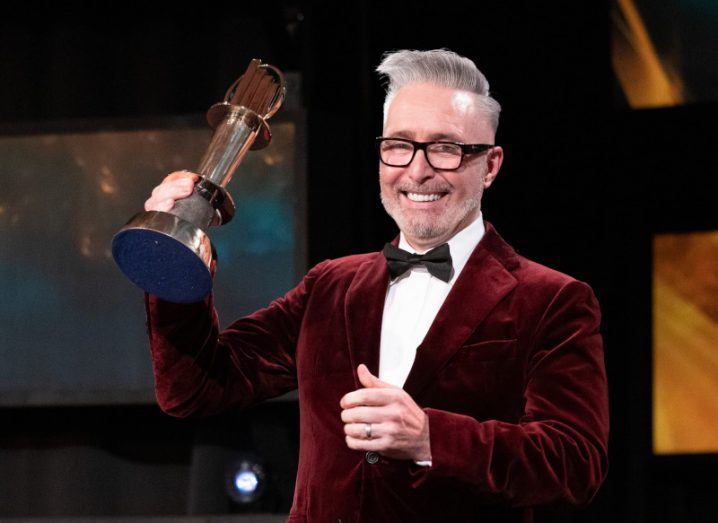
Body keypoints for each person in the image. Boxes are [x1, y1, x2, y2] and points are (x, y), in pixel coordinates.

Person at [143, 49, 609, 522]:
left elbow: (575, 463)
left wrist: (430, 436)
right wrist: (172, 257)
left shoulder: (552, 300)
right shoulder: (330, 286)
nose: (418, 170)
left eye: (445, 147)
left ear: (490, 165)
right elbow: (194, 387)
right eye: (399, 145)